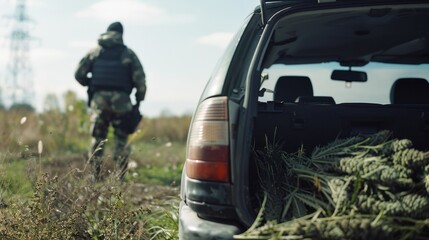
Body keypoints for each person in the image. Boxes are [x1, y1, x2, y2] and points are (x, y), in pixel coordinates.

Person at [74, 21, 146, 181]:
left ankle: (94, 175)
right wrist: (139, 100)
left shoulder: (95, 52)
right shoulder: (128, 54)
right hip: (122, 102)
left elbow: (78, 73)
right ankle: (120, 177)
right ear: (121, 35)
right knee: (121, 140)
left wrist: (92, 85)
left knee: (97, 139)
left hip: (99, 101)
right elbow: (140, 80)